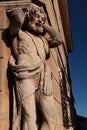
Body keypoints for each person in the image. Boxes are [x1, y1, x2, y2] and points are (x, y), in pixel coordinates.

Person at [7, 3, 63, 130]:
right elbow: (17, 19)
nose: (40, 21)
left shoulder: (43, 41)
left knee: (51, 116)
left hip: (43, 75)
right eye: (37, 17)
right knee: (29, 116)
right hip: (25, 73)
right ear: (28, 18)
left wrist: (44, 24)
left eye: (42, 19)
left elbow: (59, 39)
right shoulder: (18, 32)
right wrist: (26, 12)